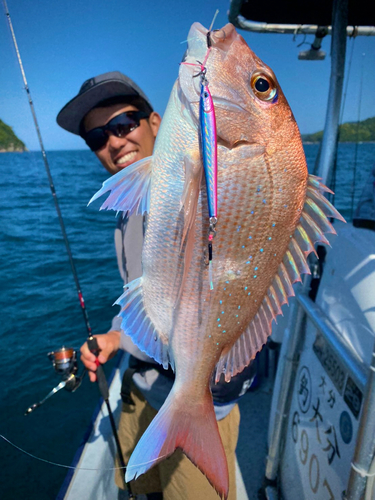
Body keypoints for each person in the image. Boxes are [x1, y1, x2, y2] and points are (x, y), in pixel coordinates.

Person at [57, 71, 256, 500]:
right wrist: (114, 338)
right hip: (141, 387)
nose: (112, 142)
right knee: (138, 487)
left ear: (156, 122)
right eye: (96, 137)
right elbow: (149, 303)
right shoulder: (128, 209)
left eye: (123, 125)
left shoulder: (202, 188)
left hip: (199, 401)